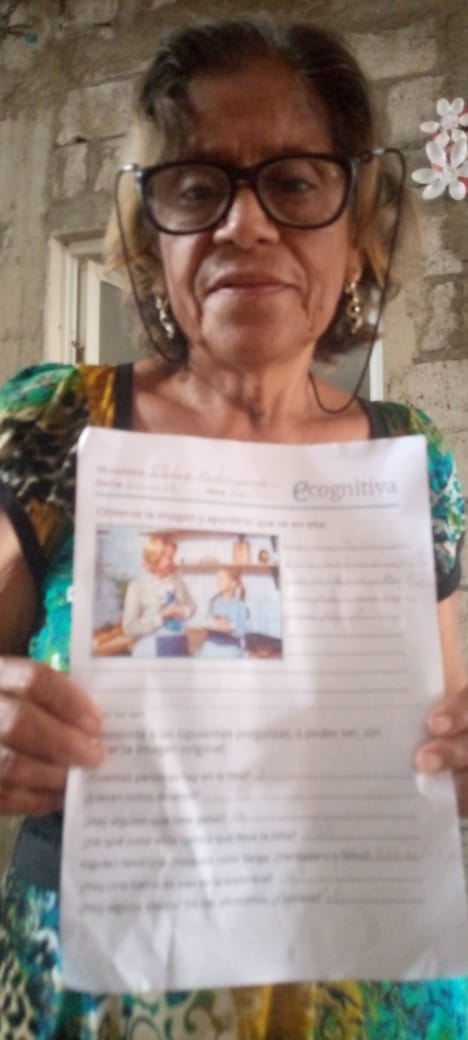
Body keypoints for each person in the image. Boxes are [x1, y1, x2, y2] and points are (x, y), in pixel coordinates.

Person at [0, 13, 467, 1038]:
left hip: (373, 993)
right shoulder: (56, 429)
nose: (243, 225)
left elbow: (443, 723)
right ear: (150, 231)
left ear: (359, 228)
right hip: (104, 995)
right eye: (196, 185)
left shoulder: (413, 458)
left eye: (294, 182)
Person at [122, 533, 195, 656]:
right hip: (151, 650)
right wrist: (162, 617)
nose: (172, 562)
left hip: (179, 645)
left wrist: (184, 611)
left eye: (173, 557)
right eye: (169, 558)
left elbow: (192, 606)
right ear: (154, 559)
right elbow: (129, 628)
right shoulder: (137, 586)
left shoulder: (177, 580)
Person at [198, 568, 248, 658]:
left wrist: (229, 627)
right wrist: (212, 623)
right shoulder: (214, 602)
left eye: (221, 579)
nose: (217, 583)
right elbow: (206, 622)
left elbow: (241, 630)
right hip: (211, 644)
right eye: (217, 579)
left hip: (230, 647)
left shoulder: (240, 605)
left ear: (233, 583)